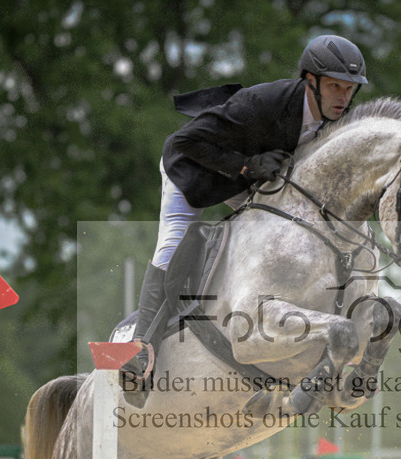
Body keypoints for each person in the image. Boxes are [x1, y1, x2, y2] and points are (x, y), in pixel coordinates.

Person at [123, 35, 368, 405]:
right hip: (194, 169)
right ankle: (142, 349)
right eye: (335, 86)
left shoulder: (340, 121)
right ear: (310, 80)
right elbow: (188, 140)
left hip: (254, 179)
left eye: (349, 89)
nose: (343, 98)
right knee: (171, 245)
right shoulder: (263, 103)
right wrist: (245, 166)